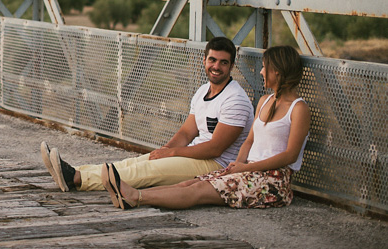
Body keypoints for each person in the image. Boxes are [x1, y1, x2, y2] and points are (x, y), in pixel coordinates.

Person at [103, 44, 309, 210]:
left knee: (199, 190)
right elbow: (249, 141)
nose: (262, 72)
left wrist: (245, 168)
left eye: (265, 67)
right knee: (188, 183)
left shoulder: (298, 109)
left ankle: (135, 197)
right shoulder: (265, 100)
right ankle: (130, 194)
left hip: (272, 182)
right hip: (247, 171)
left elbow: (290, 155)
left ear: (278, 71)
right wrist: (235, 167)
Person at [41, 36, 254, 195]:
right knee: (135, 163)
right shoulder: (202, 91)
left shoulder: (235, 99)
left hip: (217, 164)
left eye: (223, 62)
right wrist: (167, 149)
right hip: (194, 154)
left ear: (231, 66)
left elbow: (215, 148)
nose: (216, 67)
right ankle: (73, 171)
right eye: (212, 60)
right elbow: (187, 131)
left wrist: (171, 155)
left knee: (147, 171)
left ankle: (78, 179)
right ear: (204, 60)